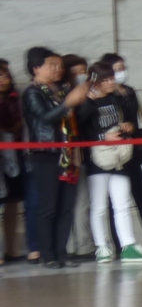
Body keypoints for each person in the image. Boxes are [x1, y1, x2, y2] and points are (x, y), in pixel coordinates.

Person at [77, 61, 142, 264]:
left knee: (122, 203)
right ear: (96, 81)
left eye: (112, 78)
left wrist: (127, 126)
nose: (112, 82)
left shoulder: (116, 98)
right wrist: (102, 137)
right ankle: (102, 247)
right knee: (99, 206)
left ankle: (128, 245)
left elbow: (128, 122)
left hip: (120, 156)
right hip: (98, 158)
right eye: (107, 79)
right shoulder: (87, 102)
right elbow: (81, 130)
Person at [22, 48, 88, 268]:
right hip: (46, 154)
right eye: (52, 65)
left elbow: (80, 117)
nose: (58, 69)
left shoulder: (61, 89)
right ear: (36, 68)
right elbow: (45, 118)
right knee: (48, 207)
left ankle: (62, 252)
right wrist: (69, 102)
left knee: (66, 206)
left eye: (60, 65)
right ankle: (48, 254)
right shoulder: (32, 92)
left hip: (68, 153)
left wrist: (84, 98)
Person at [101, 52, 142, 250]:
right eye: (116, 70)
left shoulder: (130, 91)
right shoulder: (105, 96)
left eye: (123, 68)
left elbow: (140, 117)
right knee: (115, 201)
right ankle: (118, 245)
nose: (121, 73)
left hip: (132, 149)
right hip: (114, 152)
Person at [59, 53, 94, 258]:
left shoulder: (90, 93)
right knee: (71, 204)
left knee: (83, 202)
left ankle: (84, 245)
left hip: (84, 154)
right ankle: (71, 247)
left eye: (84, 72)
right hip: (66, 156)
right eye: (76, 73)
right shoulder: (64, 96)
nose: (81, 76)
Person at [0, 60, 25, 265]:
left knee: (12, 204)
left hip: (14, 155)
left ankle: (11, 249)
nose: (3, 79)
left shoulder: (15, 98)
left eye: (6, 75)